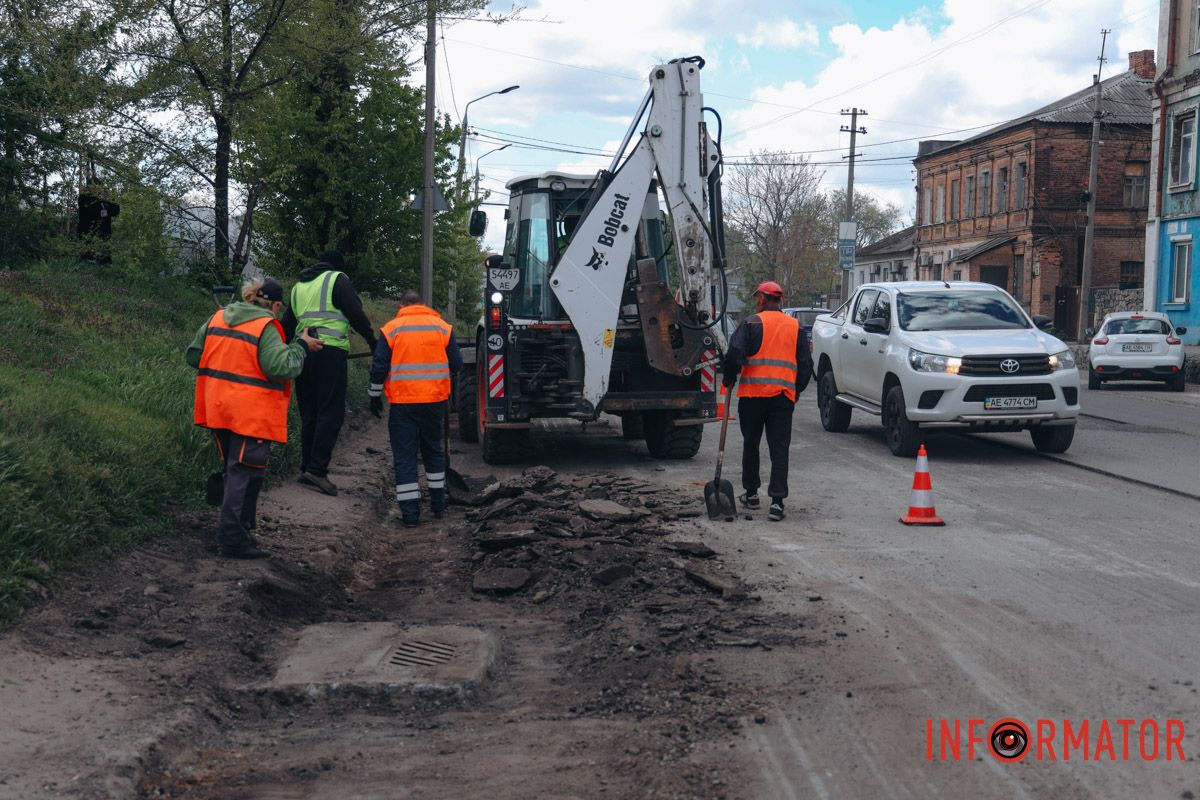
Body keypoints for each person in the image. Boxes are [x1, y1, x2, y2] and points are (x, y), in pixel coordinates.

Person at [187, 277, 322, 558]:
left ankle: (242, 528)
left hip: (217, 406)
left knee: (238, 469)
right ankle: (232, 537)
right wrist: (300, 347)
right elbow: (280, 367)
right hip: (250, 412)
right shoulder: (266, 326)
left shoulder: (219, 317)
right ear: (273, 305)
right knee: (243, 471)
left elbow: (193, 356)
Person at [282, 250, 378, 496]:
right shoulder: (337, 279)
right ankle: (316, 469)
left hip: (303, 352)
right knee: (330, 411)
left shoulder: (298, 287)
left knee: (310, 411)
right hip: (329, 353)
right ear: (337, 266)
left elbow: (286, 326)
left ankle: (307, 466)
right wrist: (372, 341)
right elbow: (356, 314)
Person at [369, 291, 462, 527]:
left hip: (403, 404)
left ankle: (410, 515)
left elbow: (379, 366)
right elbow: (458, 364)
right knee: (434, 451)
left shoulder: (391, 329)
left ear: (402, 305)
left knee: (405, 457)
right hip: (434, 402)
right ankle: (438, 504)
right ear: (423, 304)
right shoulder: (442, 328)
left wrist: (374, 395)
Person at [722, 280, 812, 522]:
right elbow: (805, 366)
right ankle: (777, 502)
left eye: (757, 298)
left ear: (762, 299)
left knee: (751, 443)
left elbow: (734, 354)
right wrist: (795, 390)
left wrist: (729, 377)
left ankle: (751, 494)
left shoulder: (751, 323)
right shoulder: (795, 327)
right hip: (782, 398)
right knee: (779, 448)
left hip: (752, 396)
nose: (756, 302)